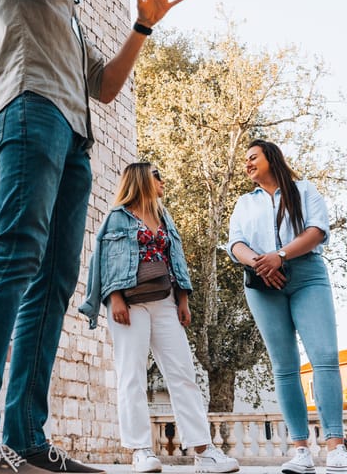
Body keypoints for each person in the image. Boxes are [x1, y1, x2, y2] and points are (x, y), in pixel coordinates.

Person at [0, 0, 184, 474]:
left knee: (54, 280)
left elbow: (103, 87)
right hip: (29, 110)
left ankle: (25, 440)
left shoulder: (67, 3)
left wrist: (142, 27)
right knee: (15, 254)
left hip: (75, 135)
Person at [80, 163, 239, 474]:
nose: (162, 180)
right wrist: (114, 298)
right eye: (157, 175)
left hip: (165, 301)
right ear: (141, 179)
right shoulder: (118, 217)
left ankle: (204, 452)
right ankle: (140, 451)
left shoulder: (164, 217)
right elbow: (104, 260)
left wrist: (183, 300)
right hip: (129, 302)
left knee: (183, 373)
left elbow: (174, 259)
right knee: (132, 376)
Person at [228, 140, 347, 474]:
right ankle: (301, 450)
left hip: (307, 276)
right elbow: (235, 243)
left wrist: (279, 256)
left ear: (271, 158)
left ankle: (336, 448)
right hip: (263, 283)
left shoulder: (304, 190)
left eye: (252, 158)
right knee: (284, 366)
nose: (247, 164)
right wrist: (260, 263)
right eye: (246, 161)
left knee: (323, 357)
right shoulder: (243, 203)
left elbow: (316, 231)